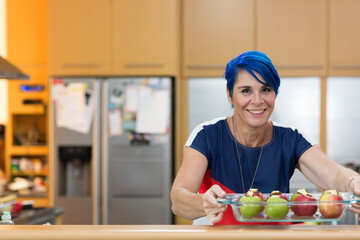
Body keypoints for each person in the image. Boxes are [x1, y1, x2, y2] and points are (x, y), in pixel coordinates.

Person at [170, 51, 360, 225]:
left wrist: (354, 183)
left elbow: (335, 175)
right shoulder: (207, 135)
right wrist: (202, 201)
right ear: (229, 94)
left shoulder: (290, 139)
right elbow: (178, 200)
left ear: (275, 93)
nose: (257, 100)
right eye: (246, 91)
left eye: (266, 89)